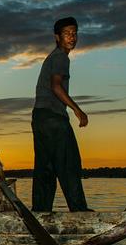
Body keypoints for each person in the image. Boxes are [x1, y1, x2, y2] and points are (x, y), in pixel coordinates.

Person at [31, 17, 91, 212]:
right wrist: (77, 109)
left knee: (45, 169)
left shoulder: (54, 57)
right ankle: (79, 211)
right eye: (67, 33)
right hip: (53, 118)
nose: (72, 37)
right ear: (57, 37)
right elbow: (56, 86)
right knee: (69, 164)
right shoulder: (60, 57)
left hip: (39, 118)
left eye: (74, 33)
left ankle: (40, 213)